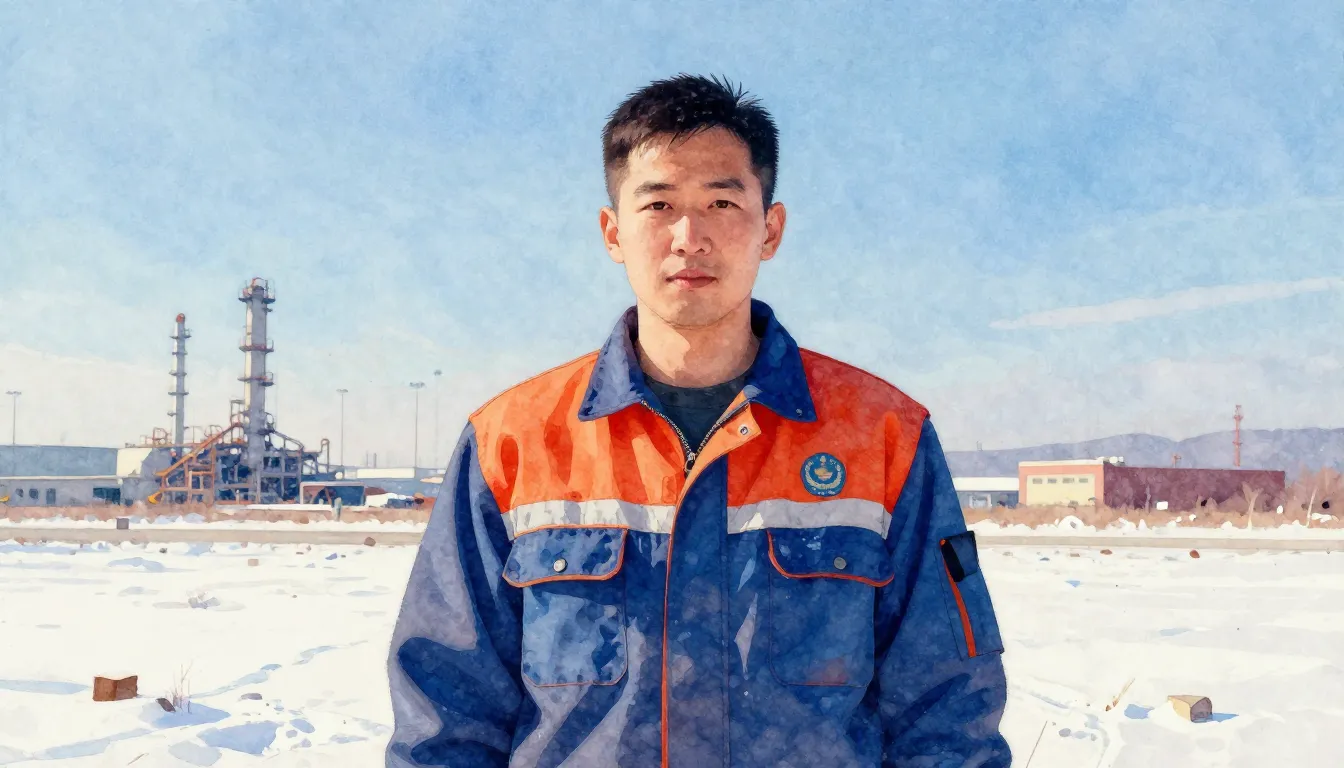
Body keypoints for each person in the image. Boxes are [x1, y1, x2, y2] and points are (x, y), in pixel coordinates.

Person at [386, 74, 1012, 767]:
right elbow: (446, 714)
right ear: (613, 232)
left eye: (722, 201)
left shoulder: (883, 435)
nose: (690, 238)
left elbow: (947, 713)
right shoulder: (513, 441)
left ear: (770, 229)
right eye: (658, 205)